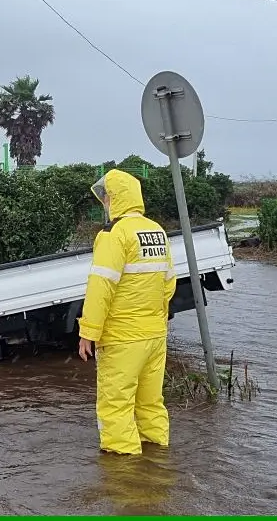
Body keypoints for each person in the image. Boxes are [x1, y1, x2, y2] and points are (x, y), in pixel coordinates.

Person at [78, 169, 177, 456]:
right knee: (150, 403)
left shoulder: (113, 235)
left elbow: (100, 289)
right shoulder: (156, 231)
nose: (105, 203)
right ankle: (158, 461)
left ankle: (126, 480)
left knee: (116, 406)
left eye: (106, 198)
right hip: (155, 336)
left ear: (113, 198)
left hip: (122, 337)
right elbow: (169, 284)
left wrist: (88, 333)